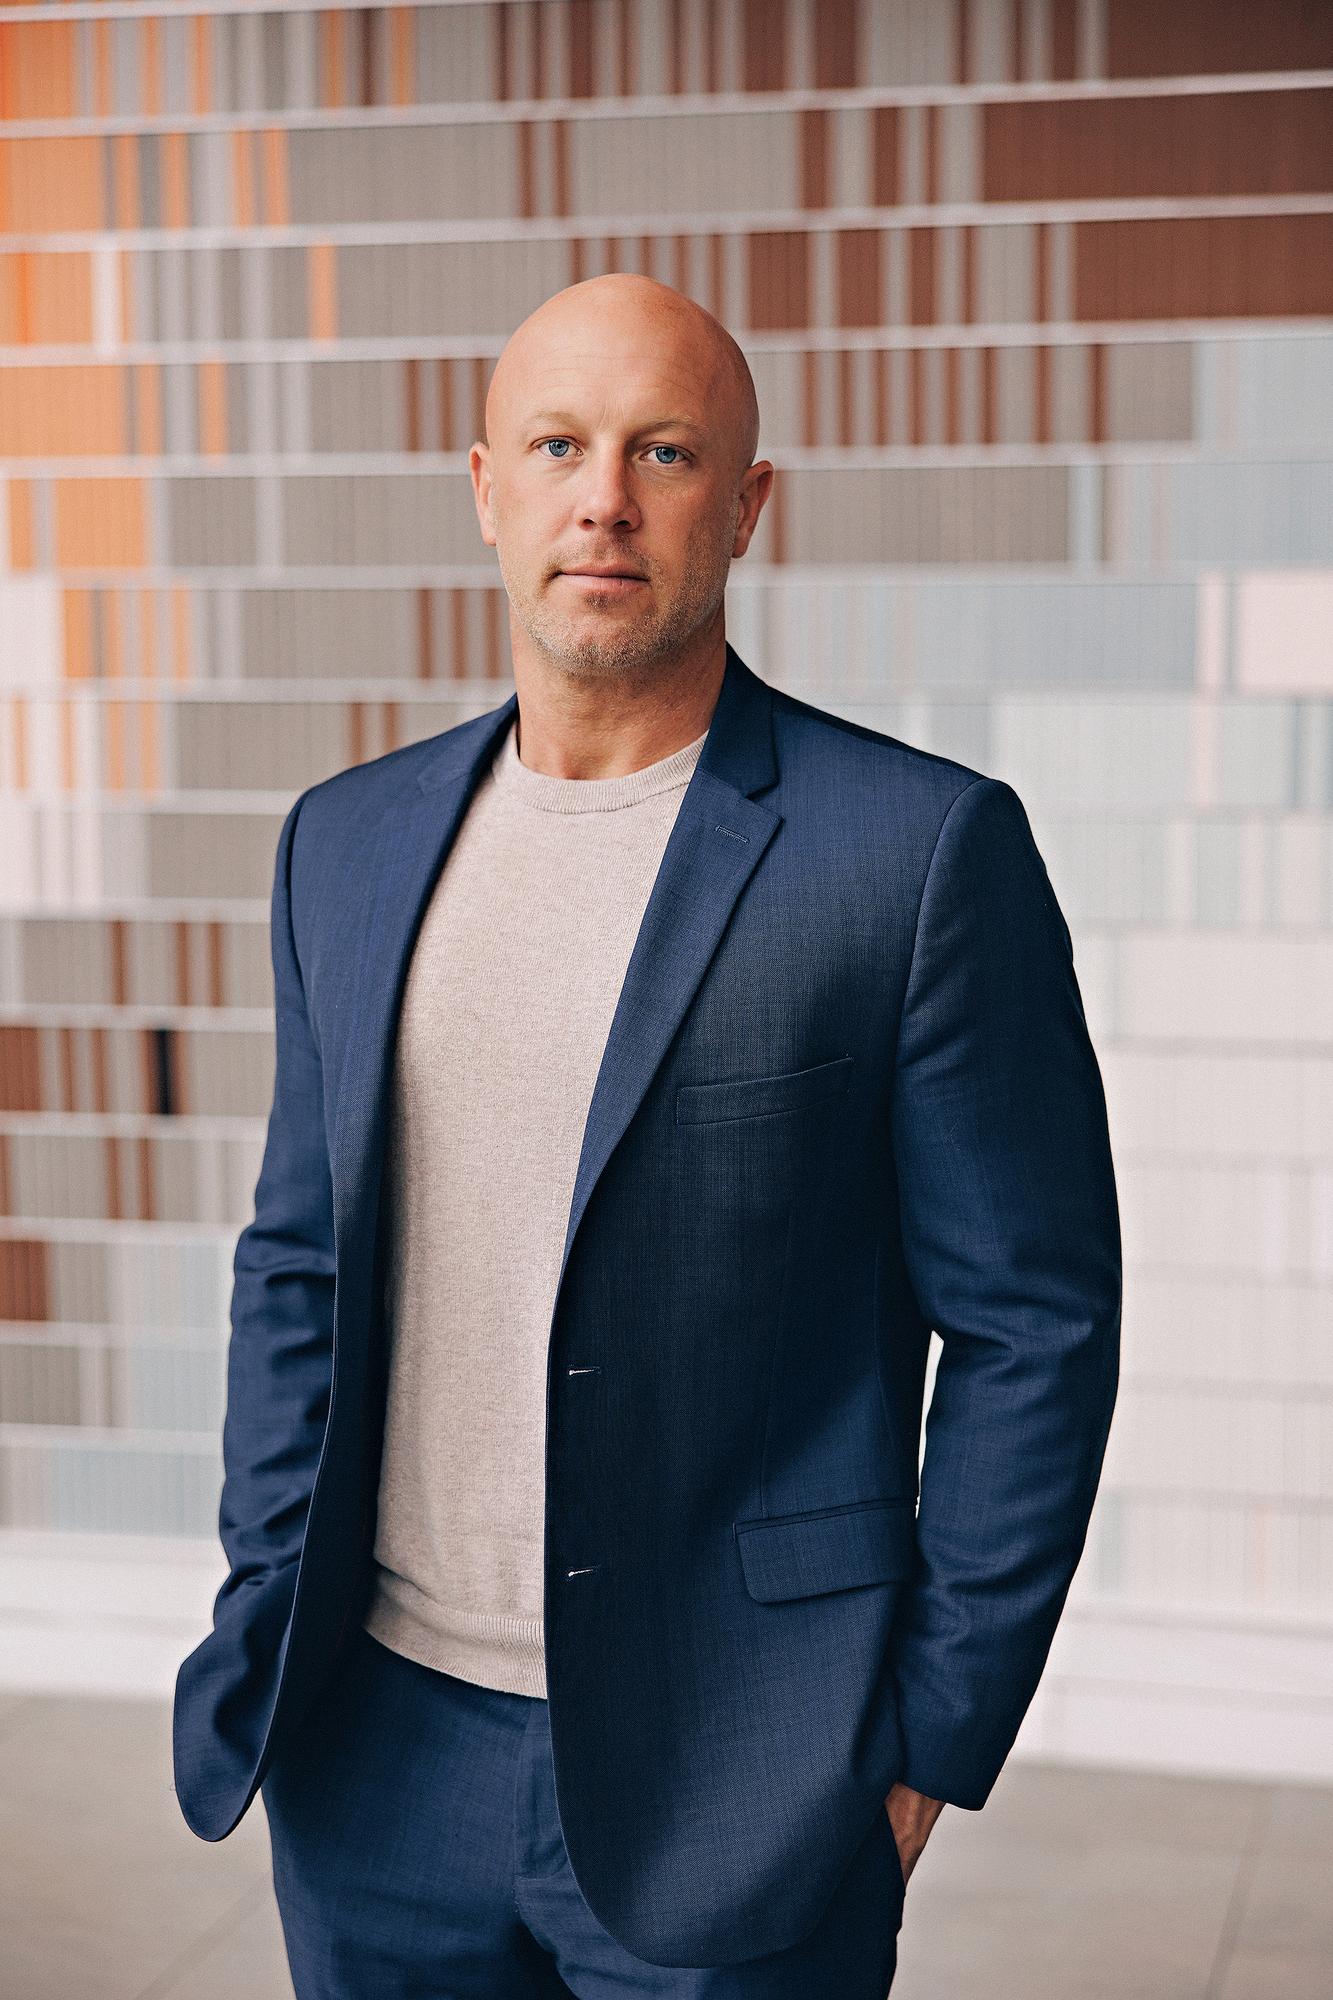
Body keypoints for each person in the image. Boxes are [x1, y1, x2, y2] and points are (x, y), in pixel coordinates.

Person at [172, 273, 1122, 1997]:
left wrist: (923, 1744)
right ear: (486, 485)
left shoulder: (911, 857)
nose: (603, 496)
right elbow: (297, 1261)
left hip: (741, 1777)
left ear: (745, 504)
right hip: (370, 1750)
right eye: (558, 445)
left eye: (664, 451)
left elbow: (1032, 1325)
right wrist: (262, 1597)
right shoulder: (349, 842)